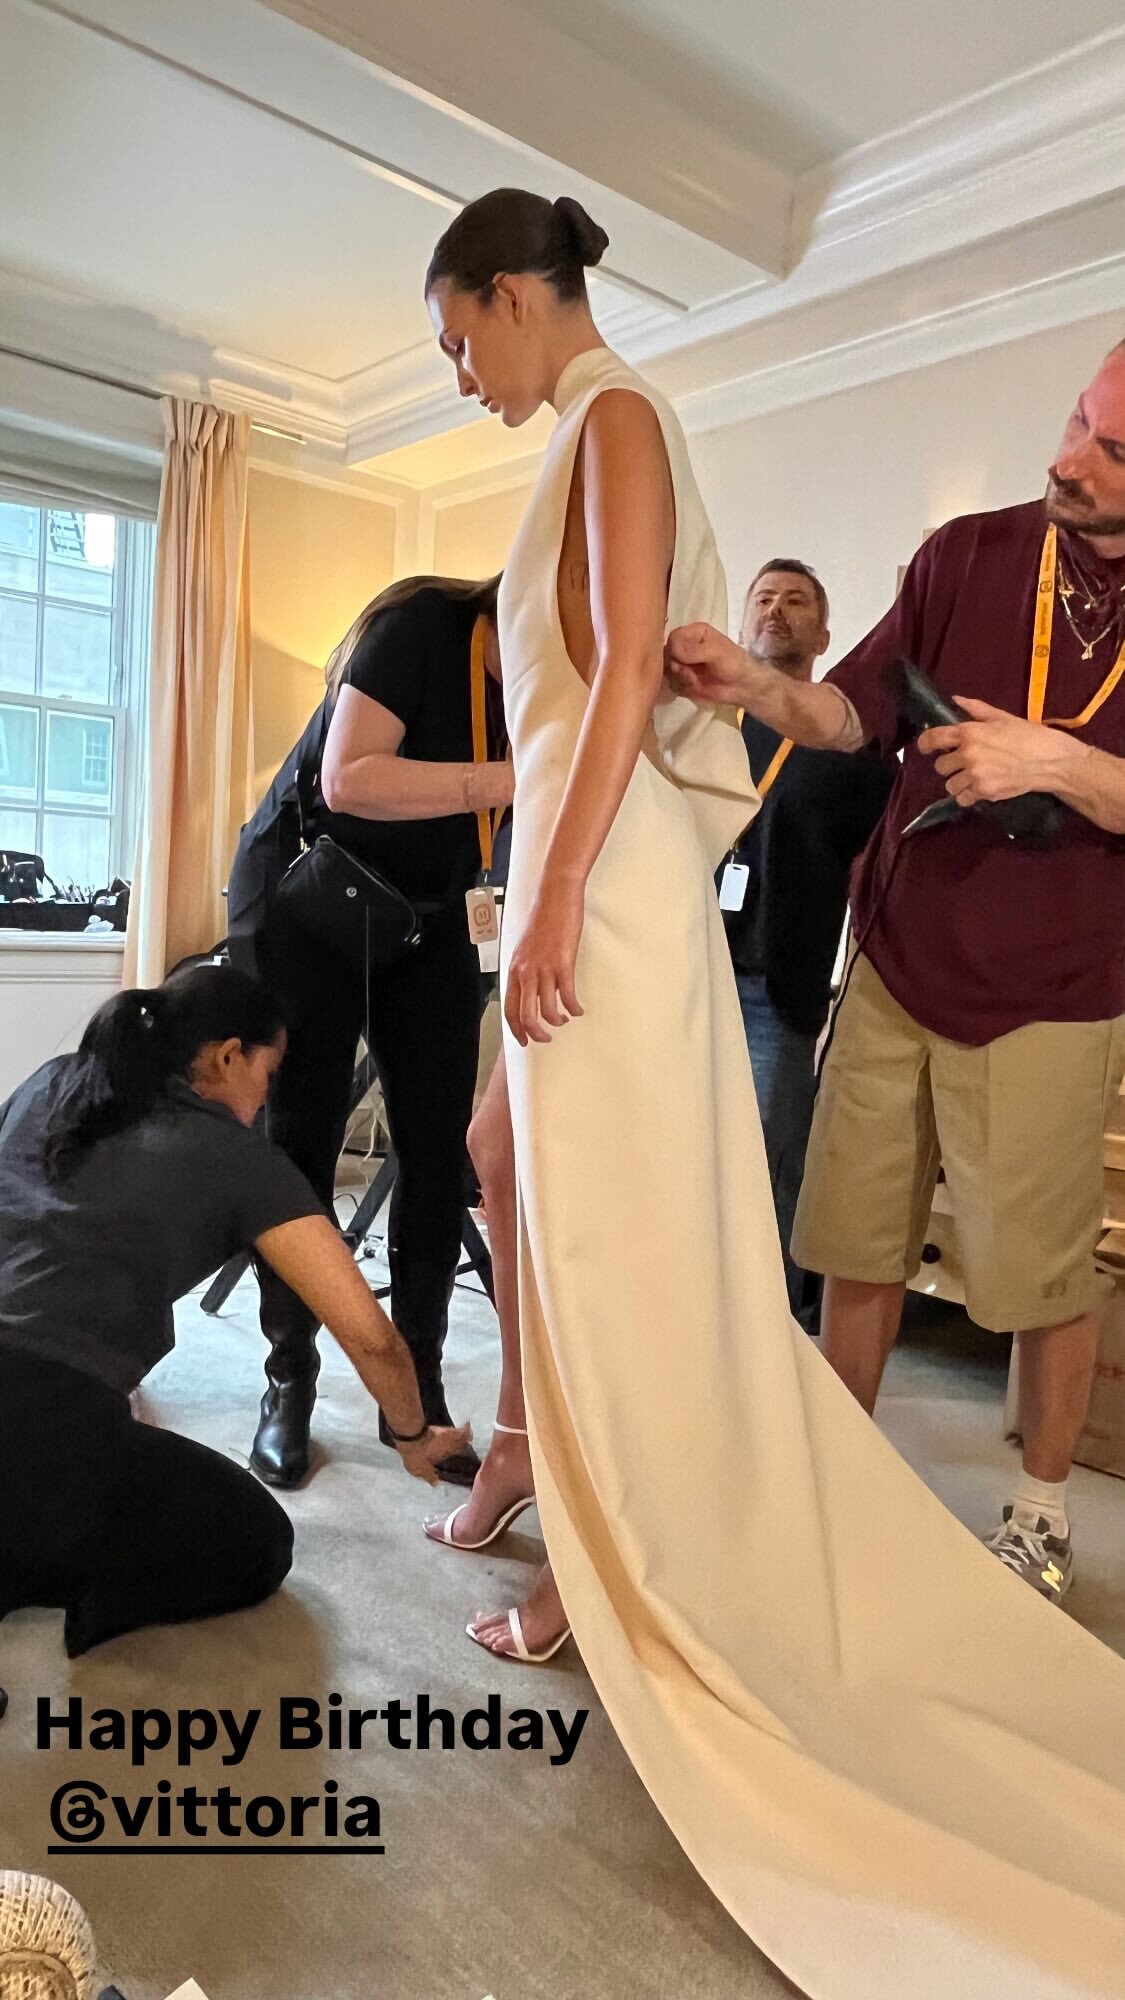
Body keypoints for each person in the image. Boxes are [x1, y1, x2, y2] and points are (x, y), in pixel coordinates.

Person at [425, 187, 1125, 1998]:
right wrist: (738, 686)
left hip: (710, 908)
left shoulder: (615, 417)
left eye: (456, 337)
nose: (459, 375)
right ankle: (606, 1506)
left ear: (507, 295)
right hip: (731, 905)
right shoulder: (629, 439)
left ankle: (640, 1563)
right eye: (1077, 422)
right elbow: (806, 707)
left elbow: (604, 684)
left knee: (640, 1249)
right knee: (610, 1212)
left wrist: (556, 890)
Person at [669, 340, 1125, 1602]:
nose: (1068, 461)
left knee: (1041, 1275)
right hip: (892, 961)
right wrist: (757, 683)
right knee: (855, 1239)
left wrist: (1056, 763)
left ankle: (1040, 1512)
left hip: (1054, 992)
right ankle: (837, 1471)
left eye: (1111, 451)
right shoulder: (967, 553)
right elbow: (853, 713)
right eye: (1075, 420)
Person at [0, 964, 464, 1658]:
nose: (264, 1099)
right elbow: (372, 1338)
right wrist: (412, 1435)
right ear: (226, 1057)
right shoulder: (240, 1159)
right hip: (39, 1417)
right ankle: (53, 1572)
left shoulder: (55, 1080)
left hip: (39, 1397)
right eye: (266, 1075)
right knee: (256, 1540)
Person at [228, 574, 511, 1489]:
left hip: (431, 912)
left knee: (435, 1150)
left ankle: (414, 1390)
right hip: (308, 897)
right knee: (301, 1142)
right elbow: (349, 778)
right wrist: (513, 777)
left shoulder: (558, 685)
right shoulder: (422, 628)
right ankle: (289, 1379)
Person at [722, 559, 894, 1323]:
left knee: (767, 1161)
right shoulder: (704, 729)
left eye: (796, 602)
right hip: (684, 974)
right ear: (741, 624)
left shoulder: (855, 752)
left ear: (822, 637)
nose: (776, 610)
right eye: (763, 598)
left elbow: (875, 877)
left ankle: (773, 1330)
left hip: (776, 988)